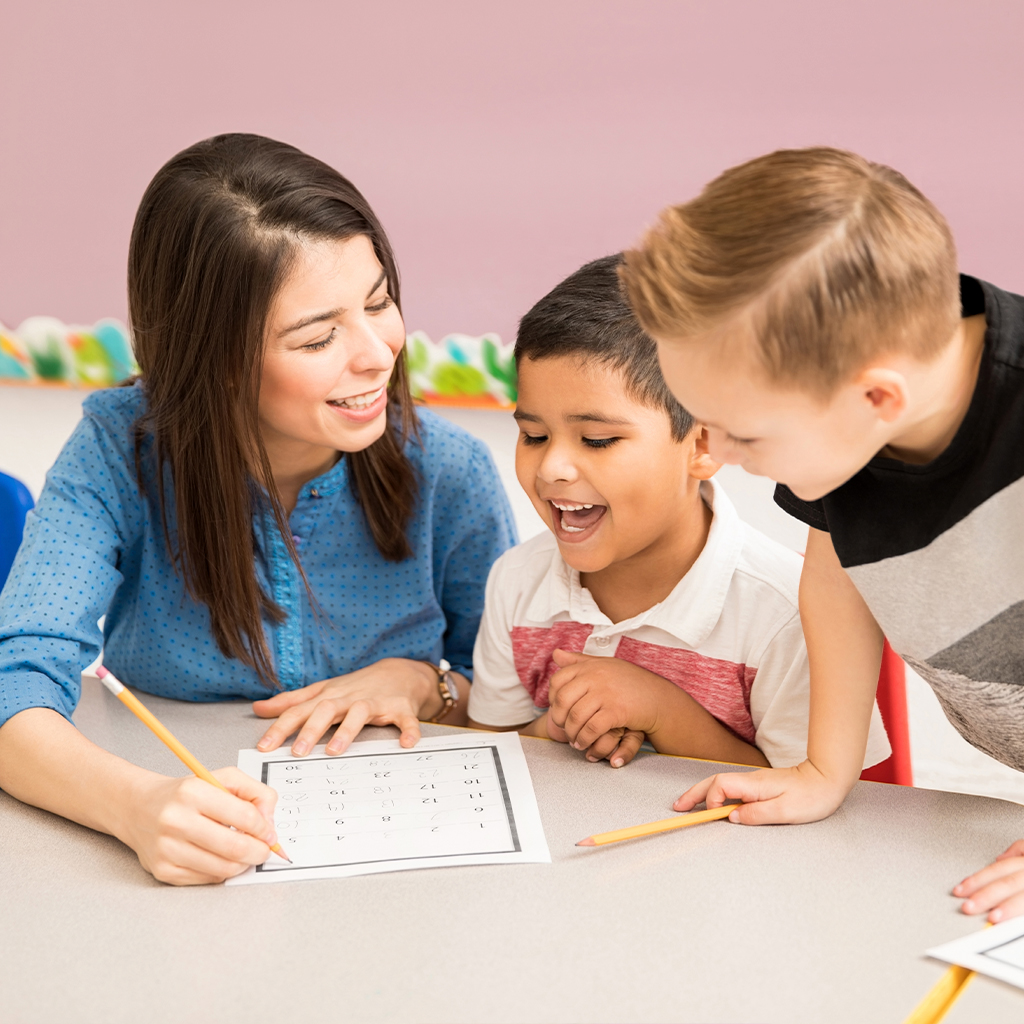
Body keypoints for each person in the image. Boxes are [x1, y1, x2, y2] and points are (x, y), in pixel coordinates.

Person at [0, 133, 515, 885]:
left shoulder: (451, 470)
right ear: (211, 354)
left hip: (404, 869)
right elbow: (16, 681)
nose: (377, 353)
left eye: (379, 302)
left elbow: (510, 690)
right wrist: (136, 808)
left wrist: (423, 683)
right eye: (317, 338)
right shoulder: (119, 448)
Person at [620, 146, 1024, 922]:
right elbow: (841, 571)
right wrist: (824, 770)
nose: (720, 461)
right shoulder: (850, 420)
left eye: (744, 437)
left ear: (877, 396)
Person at [466, 255, 890, 771]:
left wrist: (665, 714)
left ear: (703, 443)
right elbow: (488, 750)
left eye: (597, 440)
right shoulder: (516, 581)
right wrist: (556, 726)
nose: (551, 467)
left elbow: (817, 797)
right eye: (533, 435)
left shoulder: (785, 614)